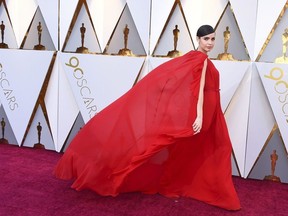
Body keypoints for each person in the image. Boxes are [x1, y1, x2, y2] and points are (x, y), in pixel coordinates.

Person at [54, 25, 241, 211]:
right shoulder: (199, 59)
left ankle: (189, 182)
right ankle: (204, 187)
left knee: (201, 148)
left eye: (212, 39)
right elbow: (197, 89)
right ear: (198, 39)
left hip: (211, 108)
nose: (210, 43)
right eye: (206, 39)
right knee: (213, 147)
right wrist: (199, 116)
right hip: (205, 110)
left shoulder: (195, 58)